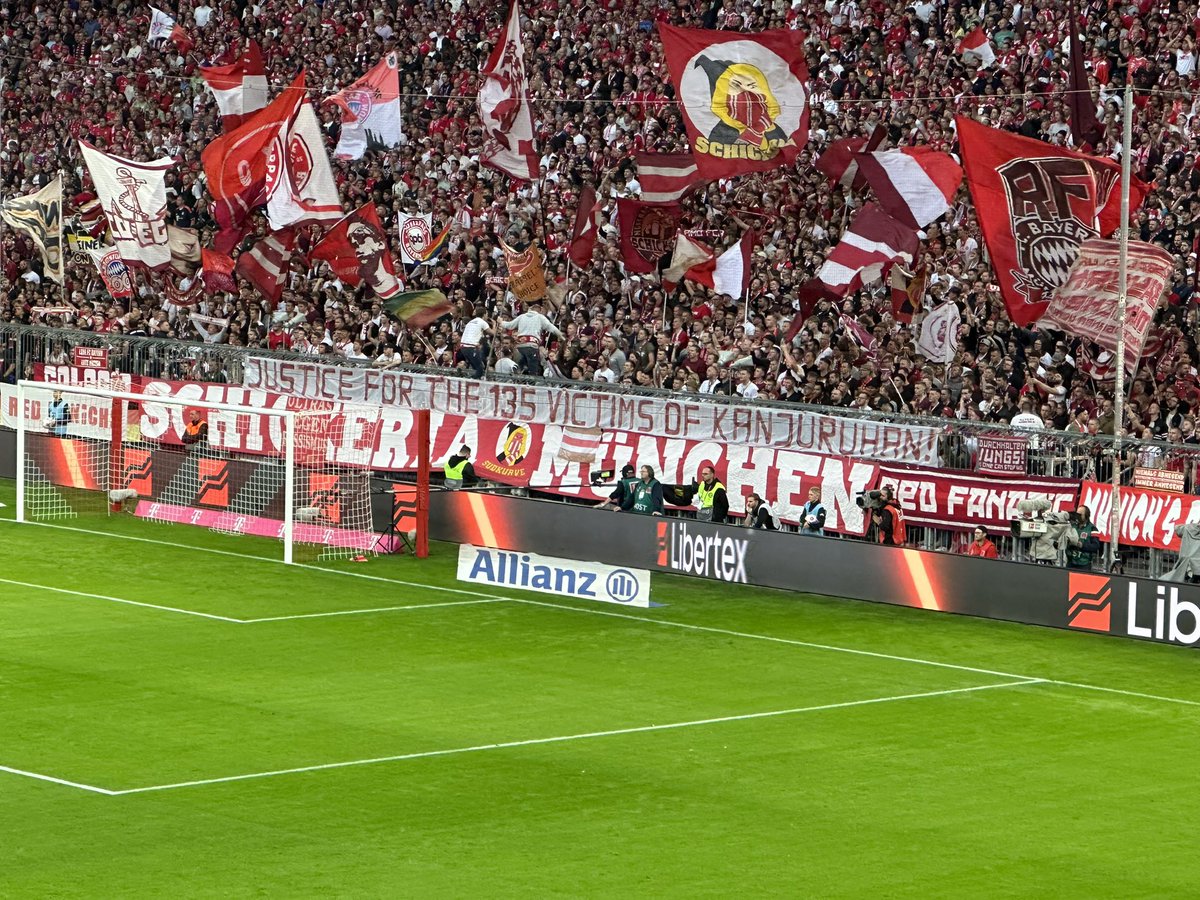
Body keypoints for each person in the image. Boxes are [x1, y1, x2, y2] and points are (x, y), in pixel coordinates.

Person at [499, 300, 562, 376]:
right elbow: (551, 327)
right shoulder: (540, 317)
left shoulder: (521, 316)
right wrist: (561, 335)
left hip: (520, 347)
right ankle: (532, 379)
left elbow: (509, 325)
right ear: (539, 309)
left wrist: (501, 322)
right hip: (532, 346)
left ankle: (517, 375)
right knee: (533, 368)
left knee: (521, 364)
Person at [459, 304, 492, 378]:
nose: (487, 316)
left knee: (475, 367)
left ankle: (469, 378)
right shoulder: (482, 322)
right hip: (470, 347)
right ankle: (469, 380)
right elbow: (493, 333)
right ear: (484, 314)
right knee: (480, 369)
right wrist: (495, 324)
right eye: (487, 314)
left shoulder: (470, 322)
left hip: (463, 347)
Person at [1066, 505, 1100, 570]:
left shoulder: (1093, 528)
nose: (1078, 517)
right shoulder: (1072, 526)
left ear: (1086, 516)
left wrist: (1082, 545)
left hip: (1084, 564)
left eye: (1080, 515)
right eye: (1077, 514)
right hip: (1070, 561)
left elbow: (1096, 546)